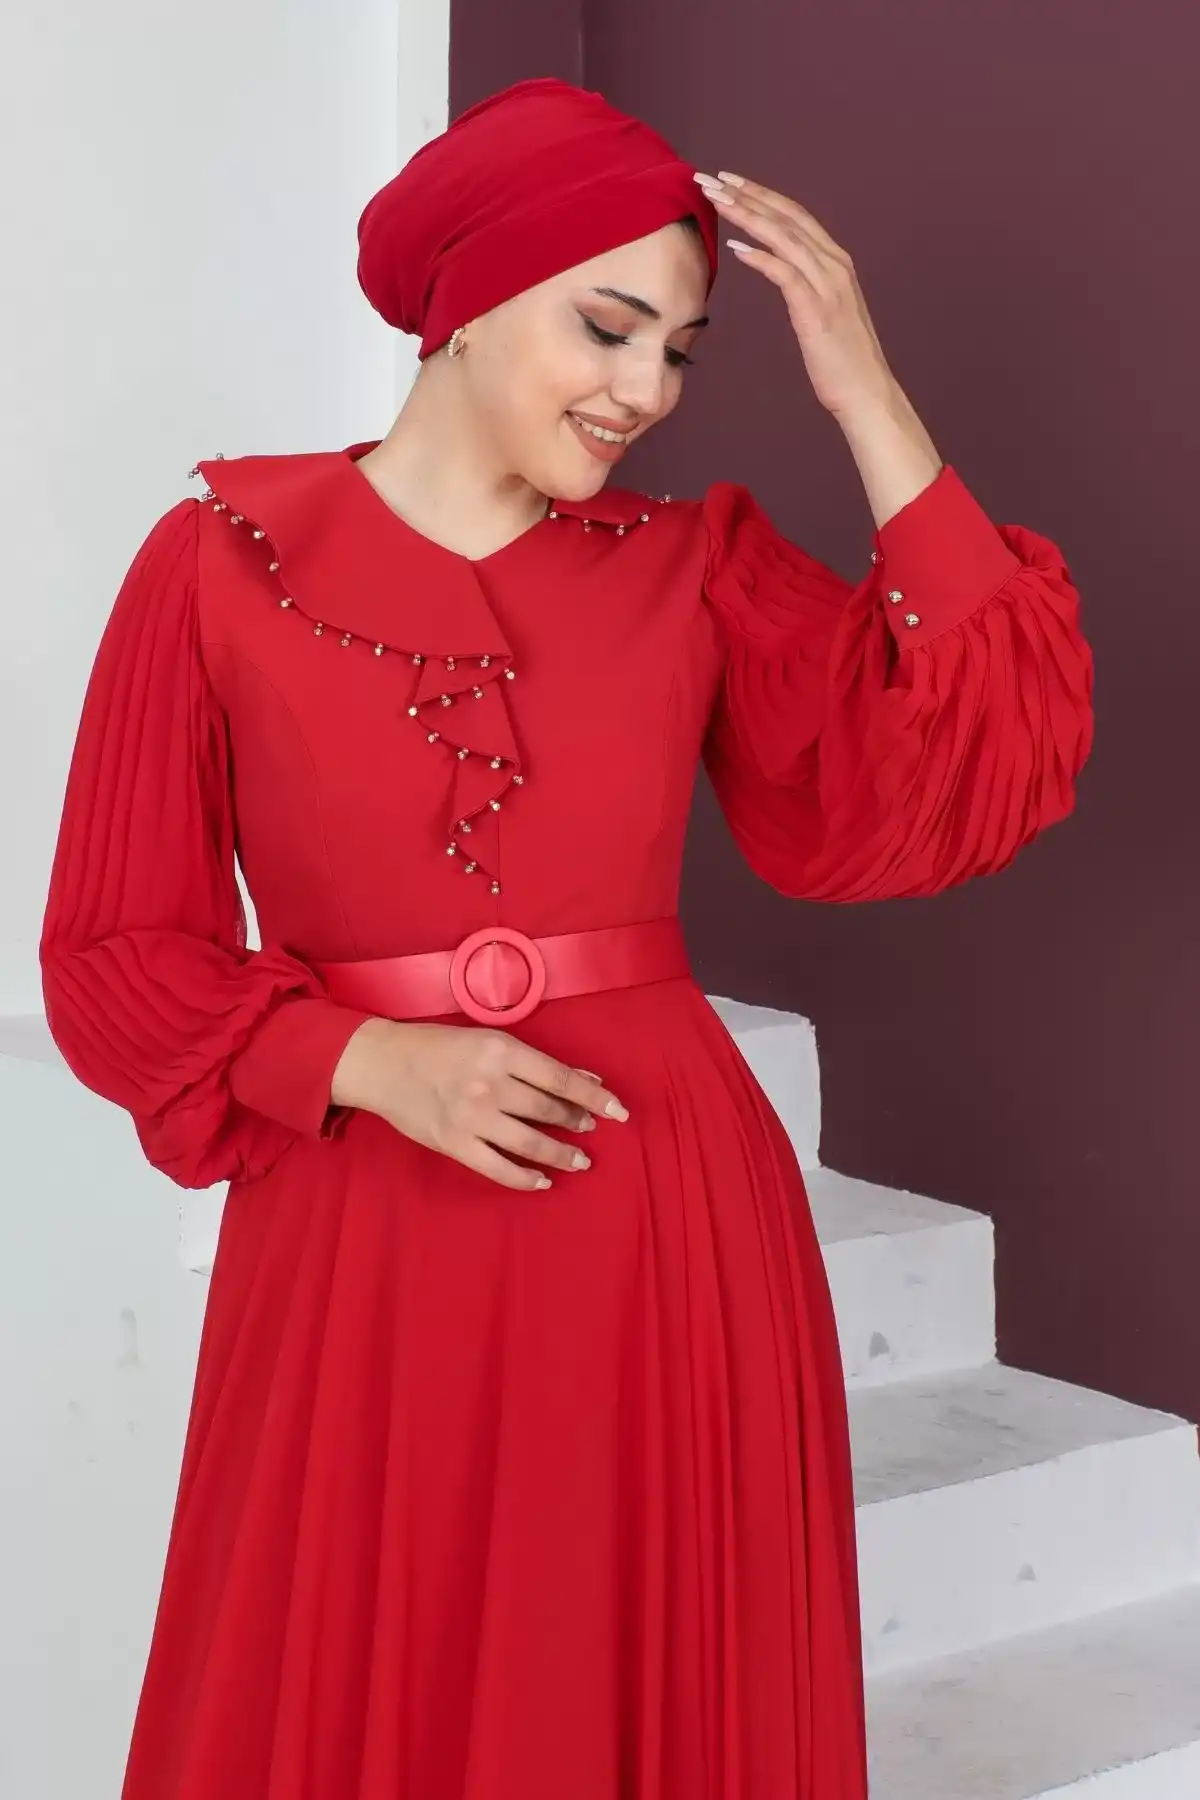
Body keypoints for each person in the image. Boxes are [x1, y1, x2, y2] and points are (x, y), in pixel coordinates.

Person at [40, 75, 1092, 1800]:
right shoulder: (217, 566)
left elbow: (984, 752)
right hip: (361, 1226)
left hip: (665, 1218)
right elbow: (111, 949)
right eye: (607, 328)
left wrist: (865, 392)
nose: (643, 391)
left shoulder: (694, 567)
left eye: (679, 351)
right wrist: (363, 1057)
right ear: (463, 304)